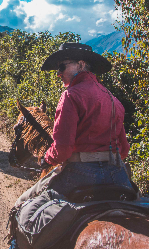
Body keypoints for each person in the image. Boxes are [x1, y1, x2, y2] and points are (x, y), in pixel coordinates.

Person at [38, 42, 132, 197]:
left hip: (80, 175)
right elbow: (124, 150)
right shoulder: (114, 100)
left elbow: (63, 148)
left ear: (81, 65)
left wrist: (47, 158)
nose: (58, 73)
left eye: (62, 67)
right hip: (117, 175)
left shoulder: (71, 95)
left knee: (26, 206)